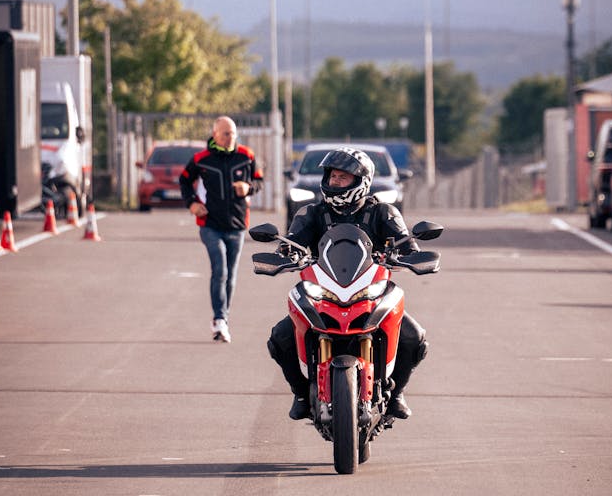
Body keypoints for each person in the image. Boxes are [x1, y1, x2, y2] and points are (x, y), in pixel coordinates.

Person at [268, 146, 428, 420]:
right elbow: (292, 242)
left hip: (370, 289)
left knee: (414, 338)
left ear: (361, 180)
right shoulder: (312, 213)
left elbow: (406, 244)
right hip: (324, 289)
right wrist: (286, 253)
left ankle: (397, 393)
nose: (335, 182)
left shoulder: (382, 213)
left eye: (342, 178)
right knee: (280, 338)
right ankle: (301, 393)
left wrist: (409, 255)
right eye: (332, 177)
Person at [180, 116, 263, 342]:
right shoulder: (201, 159)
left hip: (237, 225)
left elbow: (259, 181)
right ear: (215, 134)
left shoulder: (246, 156)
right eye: (226, 134)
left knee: (231, 275)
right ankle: (219, 319)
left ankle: (224, 318)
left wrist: (248, 188)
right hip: (210, 224)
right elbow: (184, 180)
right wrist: (192, 204)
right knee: (220, 269)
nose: (230, 138)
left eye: (233, 133)